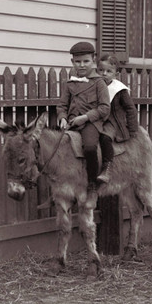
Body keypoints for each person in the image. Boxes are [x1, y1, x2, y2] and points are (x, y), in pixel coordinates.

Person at [57, 42, 110, 193]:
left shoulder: (99, 83)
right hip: (72, 123)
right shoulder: (70, 83)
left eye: (86, 61)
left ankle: (92, 182)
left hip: (90, 123)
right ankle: (65, 185)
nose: (82, 65)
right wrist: (62, 118)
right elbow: (62, 105)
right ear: (72, 62)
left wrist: (86, 118)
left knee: (90, 147)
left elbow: (105, 108)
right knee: (56, 148)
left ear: (93, 61)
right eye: (78, 61)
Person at [95, 53, 139, 184]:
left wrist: (132, 129)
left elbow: (130, 109)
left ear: (116, 74)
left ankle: (106, 169)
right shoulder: (95, 86)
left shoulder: (119, 89)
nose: (104, 74)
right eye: (101, 70)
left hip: (112, 122)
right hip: (97, 120)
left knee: (105, 138)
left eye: (109, 71)